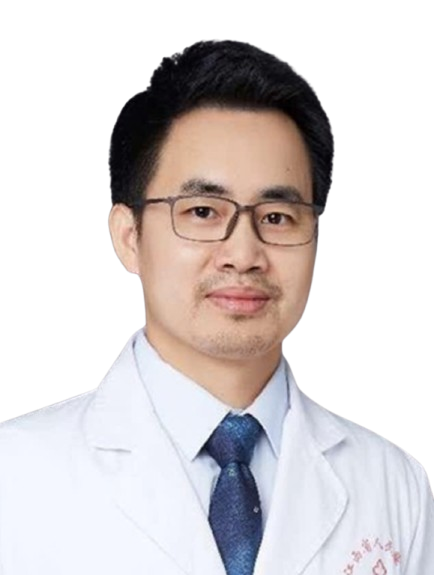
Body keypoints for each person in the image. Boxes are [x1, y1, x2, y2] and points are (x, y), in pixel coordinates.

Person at [0, 39, 432, 575]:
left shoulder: (394, 484)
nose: (244, 254)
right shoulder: (13, 477)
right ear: (128, 237)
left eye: (277, 217)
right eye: (203, 211)